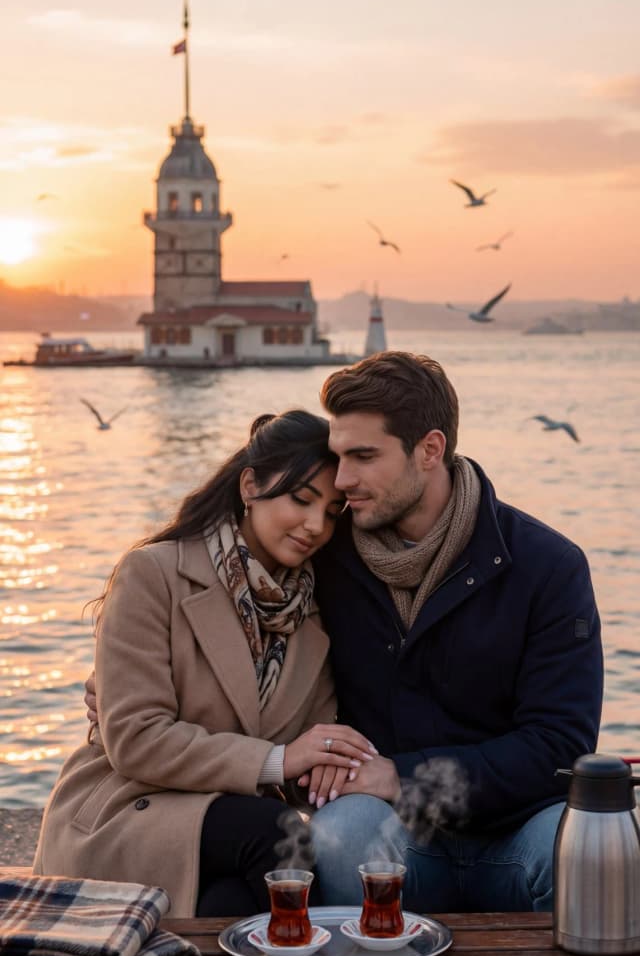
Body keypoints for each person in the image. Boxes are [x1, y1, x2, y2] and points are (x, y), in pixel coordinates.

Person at [33, 410, 377, 918]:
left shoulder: (310, 616)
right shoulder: (155, 575)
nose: (315, 526)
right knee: (277, 837)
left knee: (235, 904)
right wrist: (279, 758)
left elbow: (312, 742)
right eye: (301, 500)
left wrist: (327, 760)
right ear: (249, 485)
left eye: (331, 513)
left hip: (229, 829)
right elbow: (136, 738)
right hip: (129, 811)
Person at [305, 351, 603, 912]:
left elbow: (560, 746)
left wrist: (405, 776)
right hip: (391, 836)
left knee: (584, 845)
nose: (343, 480)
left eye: (364, 457)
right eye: (338, 457)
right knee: (341, 831)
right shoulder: (327, 557)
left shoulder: (547, 564)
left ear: (430, 450)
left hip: (520, 834)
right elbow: (238, 607)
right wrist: (138, 672)